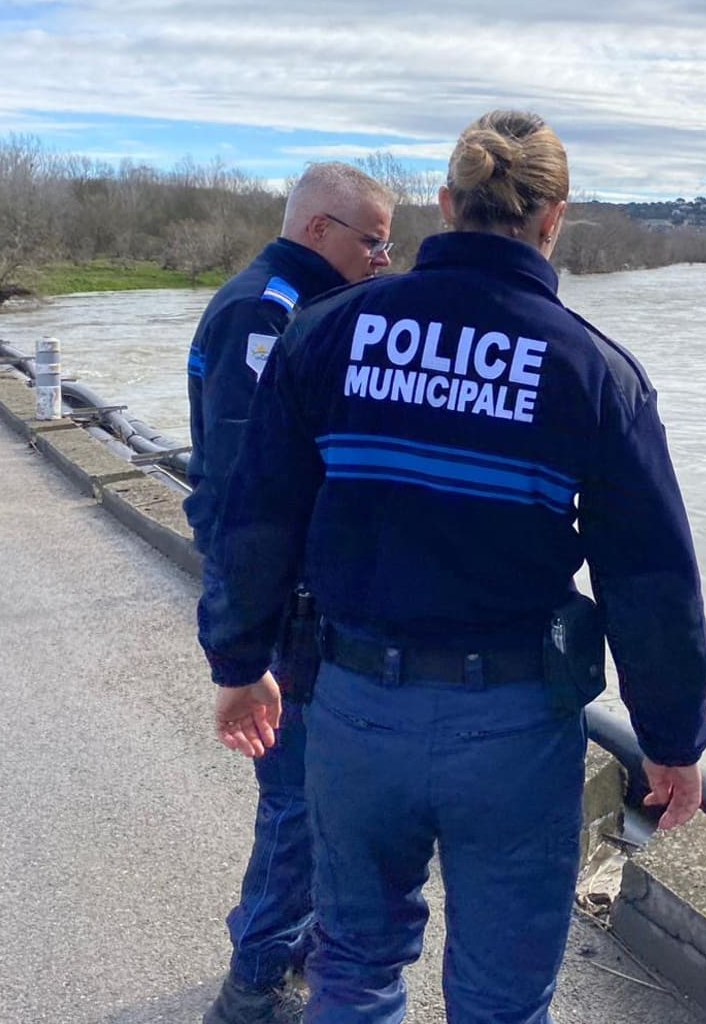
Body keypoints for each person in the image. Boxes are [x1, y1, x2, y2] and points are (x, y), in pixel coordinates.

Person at [201, 110, 706, 1023]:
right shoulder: (593, 370)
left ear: (445, 204)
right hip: (512, 728)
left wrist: (240, 665)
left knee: (353, 967)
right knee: (501, 998)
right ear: (554, 217)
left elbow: (259, 516)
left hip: (354, 712)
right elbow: (650, 579)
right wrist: (672, 741)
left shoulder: (325, 333)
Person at [188, 162, 395, 1024]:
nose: (386, 258)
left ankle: (283, 943)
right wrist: (254, 639)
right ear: (320, 230)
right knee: (298, 804)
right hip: (287, 604)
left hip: (297, 596)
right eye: (374, 240)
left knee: (306, 797)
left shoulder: (298, 306)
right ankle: (254, 985)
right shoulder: (264, 313)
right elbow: (246, 491)